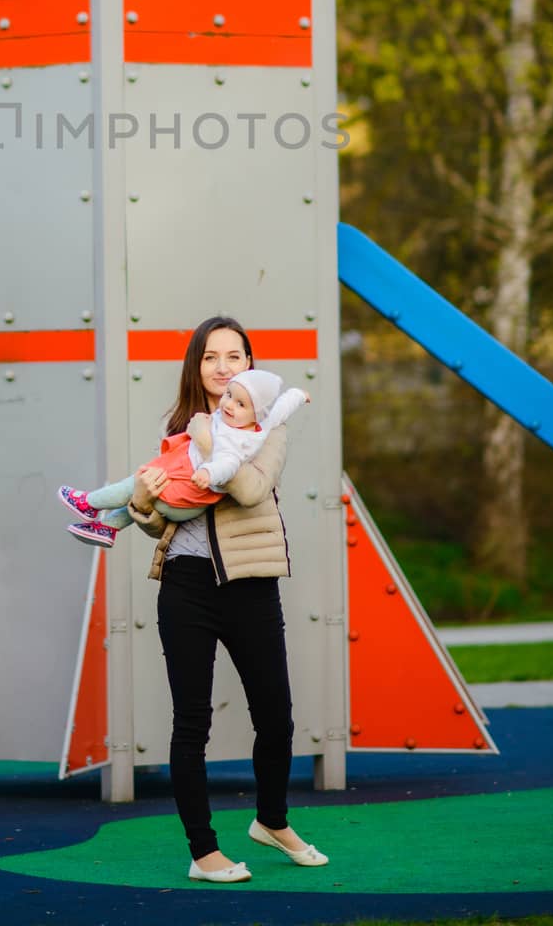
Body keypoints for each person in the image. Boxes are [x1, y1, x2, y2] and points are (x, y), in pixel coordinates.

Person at [122, 315, 329, 884]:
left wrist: (215, 444)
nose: (222, 367)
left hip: (251, 586)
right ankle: (203, 852)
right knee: (191, 723)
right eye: (211, 357)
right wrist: (142, 502)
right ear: (198, 365)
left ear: (249, 364)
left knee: (277, 718)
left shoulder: (266, 427)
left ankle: (271, 821)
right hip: (186, 587)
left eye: (234, 357)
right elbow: (166, 518)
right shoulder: (182, 428)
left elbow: (250, 488)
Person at [58, 369, 307, 548]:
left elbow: (228, 465)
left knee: (133, 483)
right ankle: (108, 529)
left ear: (257, 413)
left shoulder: (239, 441)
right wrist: (298, 394)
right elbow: (281, 407)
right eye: (229, 395)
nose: (229, 405)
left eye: (241, 404)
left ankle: (88, 503)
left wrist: (208, 470)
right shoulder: (258, 421)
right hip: (181, 498)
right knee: (140, 488)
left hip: (189, 493)